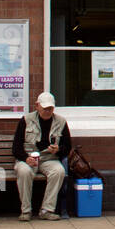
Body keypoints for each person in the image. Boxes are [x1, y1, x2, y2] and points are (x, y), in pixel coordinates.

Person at [12, 92, 72, 221]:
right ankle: (26, 211)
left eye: (50, 108)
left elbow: (67, 147)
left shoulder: (61, 122)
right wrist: (26, 158)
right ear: (37, 106)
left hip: (49, 158)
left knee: (59, 171)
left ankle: (47, 209)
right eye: (45, 108)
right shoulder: (26, 120)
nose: (47, 111)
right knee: (24, 171)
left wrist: (58, 150)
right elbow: (16, 147)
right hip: (28, 158)